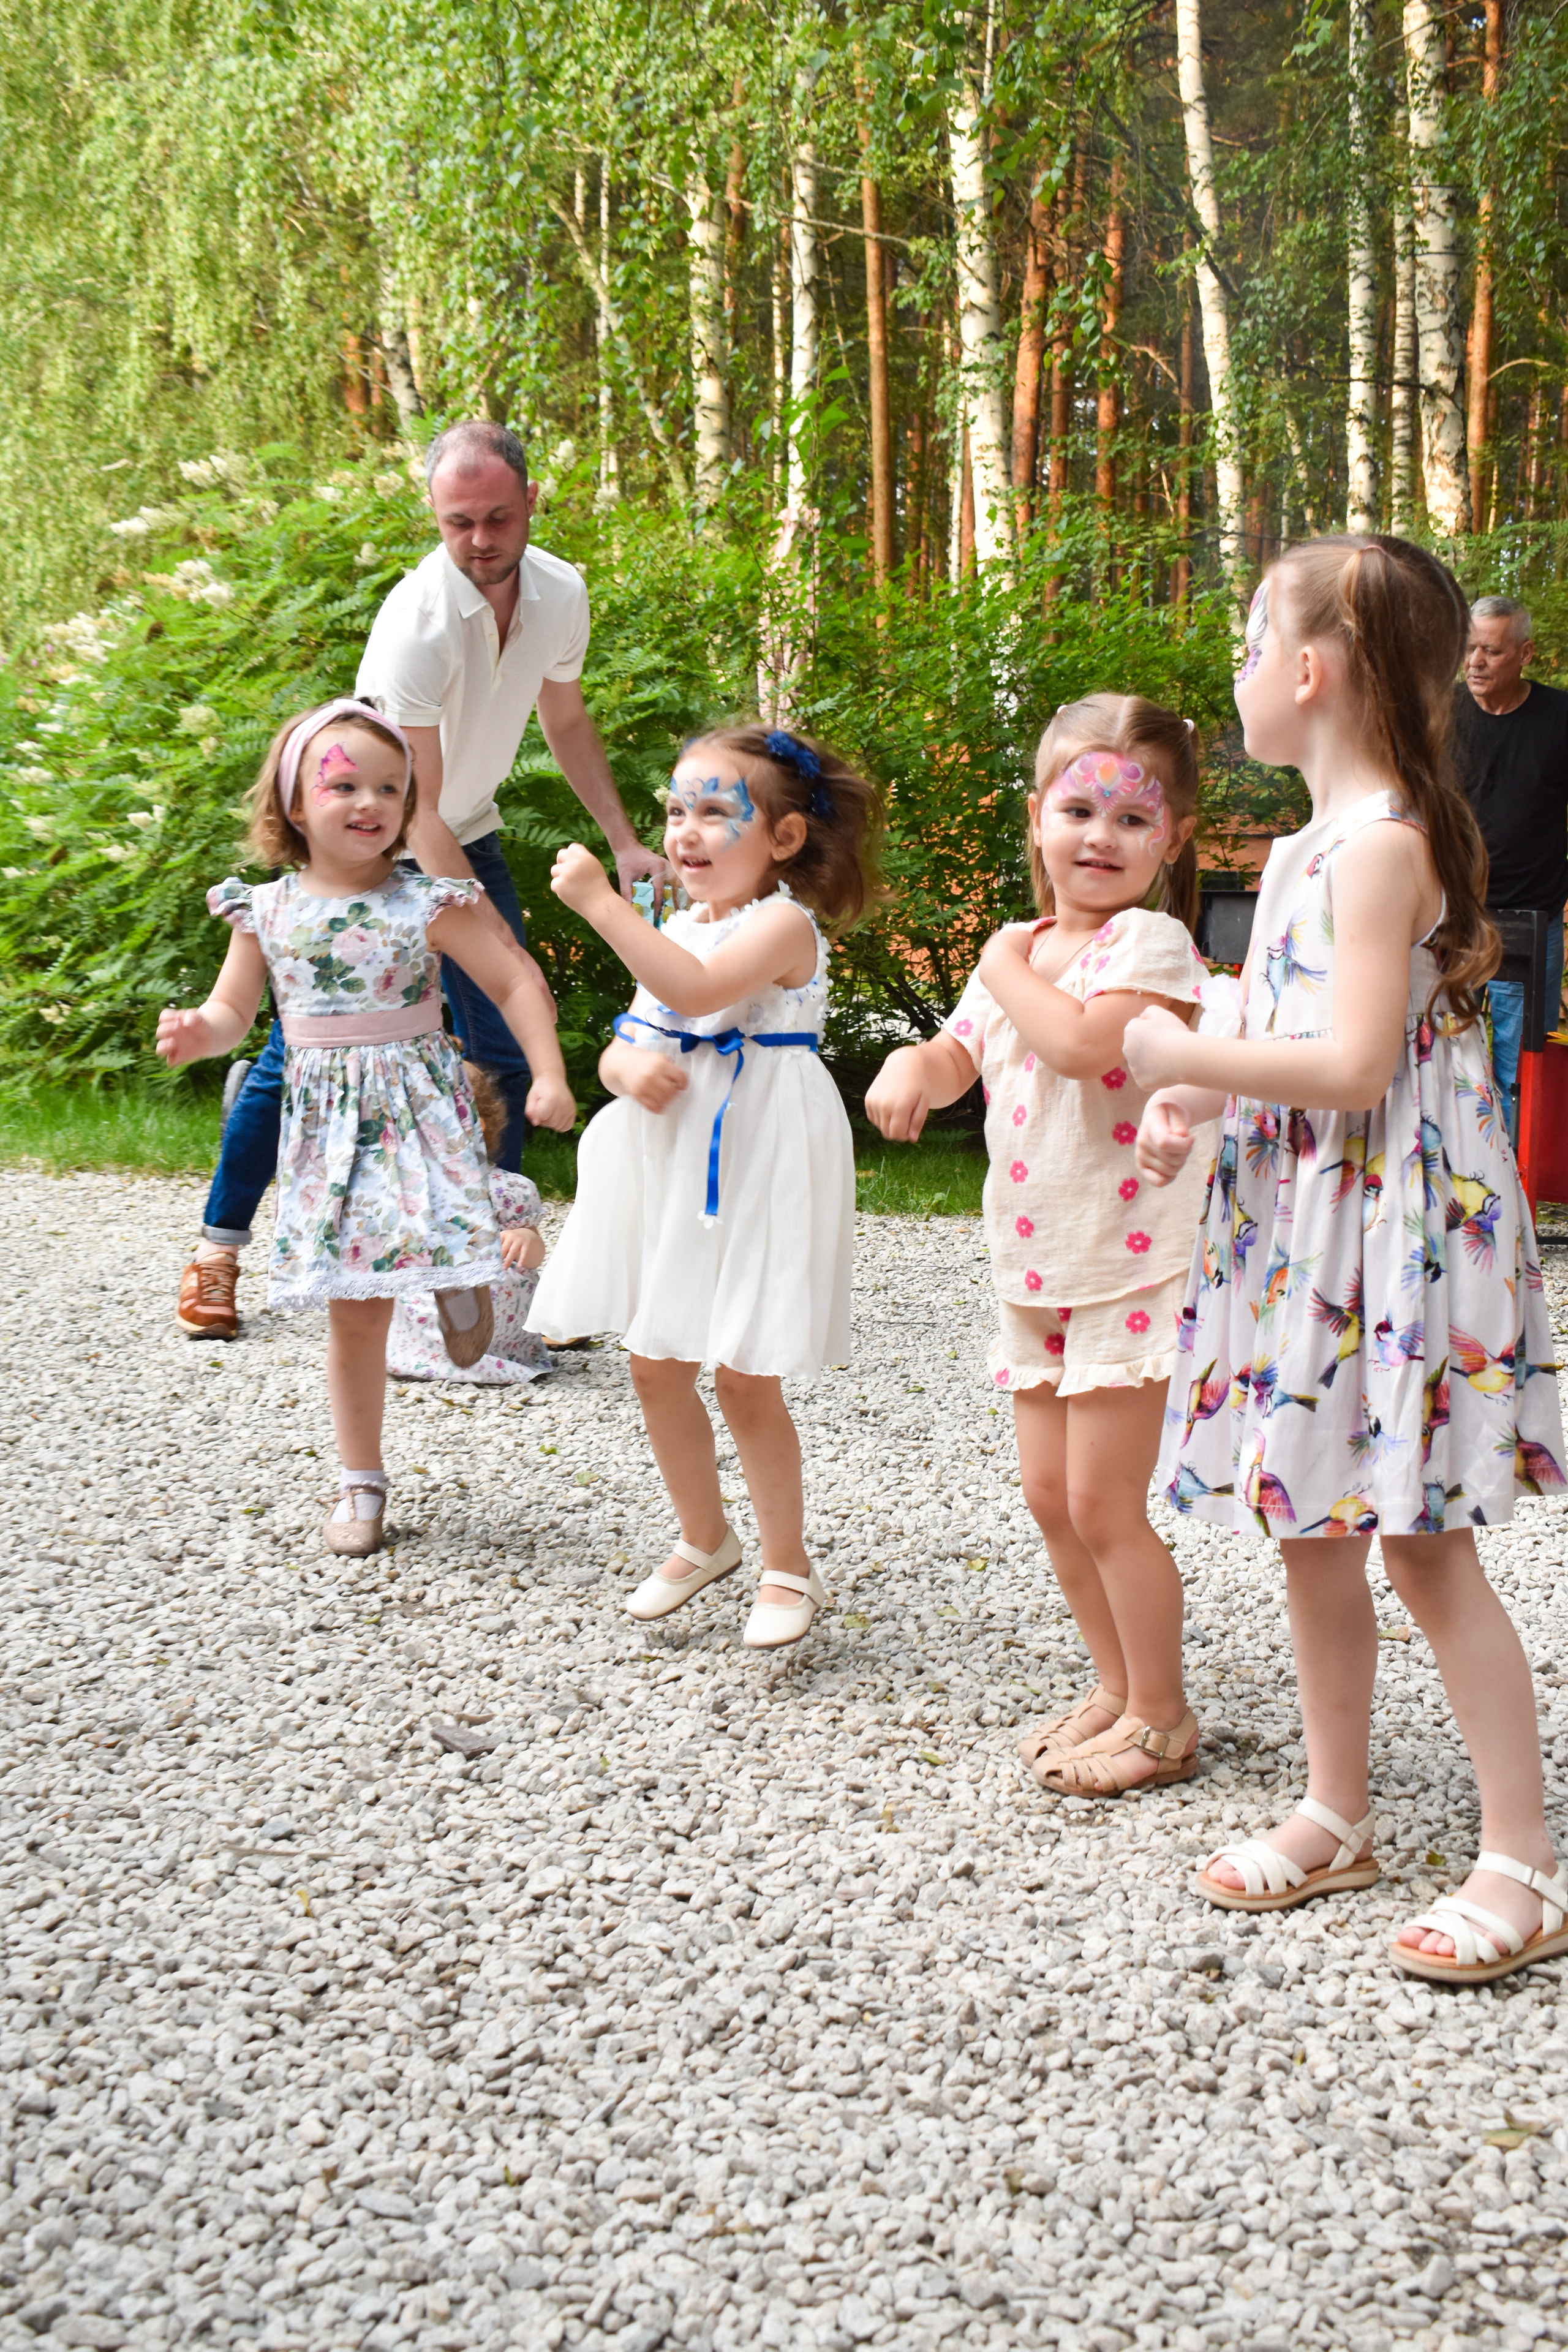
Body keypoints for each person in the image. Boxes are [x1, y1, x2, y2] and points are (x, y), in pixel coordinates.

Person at [1129, 535, 1568, 1985]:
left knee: (1419, 1543)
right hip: (1306, 1222)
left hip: (1390, 1231)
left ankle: (1520, 1857)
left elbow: (1355, 1056)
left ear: (1309, 672)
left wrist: (1179, 1045)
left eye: (1252, 644)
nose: (1239, 672)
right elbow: (1284, 1033)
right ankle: (1337, 1805)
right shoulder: (1298, 845)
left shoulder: (1382, 841)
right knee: (1305, 1519)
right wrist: (1197, 1094)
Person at [175, 418, 661, 1342]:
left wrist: (625, 840)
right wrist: (490, 935)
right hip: (370, 848)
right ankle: (217, 1252)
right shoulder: (418, 625)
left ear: (531, 505)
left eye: (497, 517)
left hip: (462, 834)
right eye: (457, 522)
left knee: (504, 1056)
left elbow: (564, 718)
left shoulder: (561, 593)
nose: (480, 540)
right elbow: (414, 810)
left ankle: (493, 1279)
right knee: (300, 1063)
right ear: (435, 521)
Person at [865, 696, 1215, 1796]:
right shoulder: (1024, 951)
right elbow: (957, 1055)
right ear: (1036, 819)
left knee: (1108, 1502)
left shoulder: (1145, 945)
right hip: (1036, 1265)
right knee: (1052, 1499)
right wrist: (910, 1069)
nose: (1099, 837)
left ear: (1173, 839)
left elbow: (1071, 1043)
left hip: (1129, 1263)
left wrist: (992, 957)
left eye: (1130, 817)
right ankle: (1117, 1686)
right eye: (1078, 808)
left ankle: (1165, 1718)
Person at [157, 699, 575, 1558]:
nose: (370, 801)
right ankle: (361, 1482)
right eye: (344, 783)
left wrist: (552, 1071)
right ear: (295, 805)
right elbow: (235, 1011)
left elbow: (514, 981)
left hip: (418, 1108)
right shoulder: (265, 911)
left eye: (390, 785)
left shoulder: (425, 901)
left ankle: (455, 1282)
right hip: (327, 1129)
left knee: (438, 1225)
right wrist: (201, 1033)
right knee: (353, 1312)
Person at [527, 726, 879, 1649]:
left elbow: (692, 992)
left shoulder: (782, 922)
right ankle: (703, 1537)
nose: (685, 831)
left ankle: (786, 1567)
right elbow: (633, 1032)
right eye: (676, 811)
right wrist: (618, 1072)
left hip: (758, 1151)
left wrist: (602, 905)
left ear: (786, 839)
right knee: (654, 1362)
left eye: (717, 812)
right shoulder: (681, 926)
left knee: (744, 1373)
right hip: (677, 1157)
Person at [1453, 594, 1568, 1140]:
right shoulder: (1442, 712)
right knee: (1446, 1052)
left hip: (1534, 914)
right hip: (1451, 914)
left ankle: (1514, 1186)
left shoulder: (1560, 718)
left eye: (1490, 651)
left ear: (1525, 654)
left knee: (1518, 1066)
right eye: (1470, 648)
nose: (1475, 661)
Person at [386, 1063, 552, 1386]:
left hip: (493, 1303)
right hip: (428, 1294)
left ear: (479, 1125)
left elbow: (534, 1257)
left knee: (501, 1291)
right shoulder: (408, 1190)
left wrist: (524, 1239)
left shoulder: (509, 1189)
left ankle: (479, 1353)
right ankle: (427, 1352)